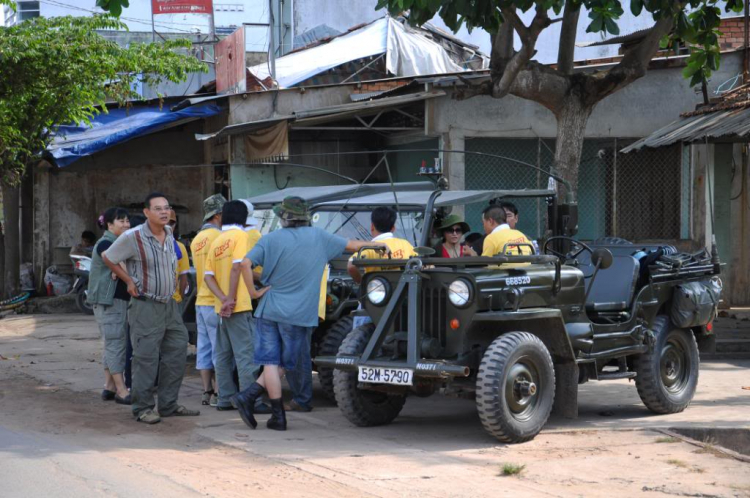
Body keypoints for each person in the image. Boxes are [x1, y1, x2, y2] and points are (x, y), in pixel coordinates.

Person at [231, 196, 389, 431]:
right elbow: (353, 245)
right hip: (299, 313)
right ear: (305, 217)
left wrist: (253, 293)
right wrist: (378, 246)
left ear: (283, 218)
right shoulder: (319, 237)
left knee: (271, 363)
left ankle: (272, 411)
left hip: (269, 307)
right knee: (285, 363)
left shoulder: (270, 239)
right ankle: (261, 405)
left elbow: (244, 264)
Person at [102, 192, 199, 425]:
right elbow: (108, 257)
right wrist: (127, 280)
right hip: (145, 305)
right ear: (146, 212)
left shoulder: (169, 234)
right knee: (145, 359)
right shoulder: (133, 237)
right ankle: (143, 408)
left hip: (170, 305)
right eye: (158, 208)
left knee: (176, 353)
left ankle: (168, 404)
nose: (164, 212)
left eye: (167, 207)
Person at [203, 200, 270, 413]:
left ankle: (224, 398)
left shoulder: (217, 240)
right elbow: (238, 267)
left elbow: (208, 277)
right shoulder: (240, 236)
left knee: (222, 355)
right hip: (238, 305)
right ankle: (251, 401)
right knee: (246, 356)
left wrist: (222, 299)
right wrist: (232, 298)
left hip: (220, 307)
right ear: (244, 218)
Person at [88, 207, 132, 405]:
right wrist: (128, 277)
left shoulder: (117, 242)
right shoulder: (106, 242)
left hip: (114, 301)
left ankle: (109, 386)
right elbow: (113, 259)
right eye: (121, 221)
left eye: (127, 221)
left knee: (112, 343)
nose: (125, 224)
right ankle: (122, 390)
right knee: (116, 343)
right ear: (109, 225)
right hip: (109, 301)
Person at [190, 194, 226, 407]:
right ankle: (220, 394)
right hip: (215, 300)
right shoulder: (219, 238)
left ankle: (207, 392)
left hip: (200, 300)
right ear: (218, 215)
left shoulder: (197, 239)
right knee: (219, 349)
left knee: (203, 348)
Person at [168, 210, 190, 310]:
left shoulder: (180, 247)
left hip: (174, 300)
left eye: (171, 223)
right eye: (165, 222)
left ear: (175, 225)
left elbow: (183, 278)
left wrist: (180, 297)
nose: (168, 226)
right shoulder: (149, 244)